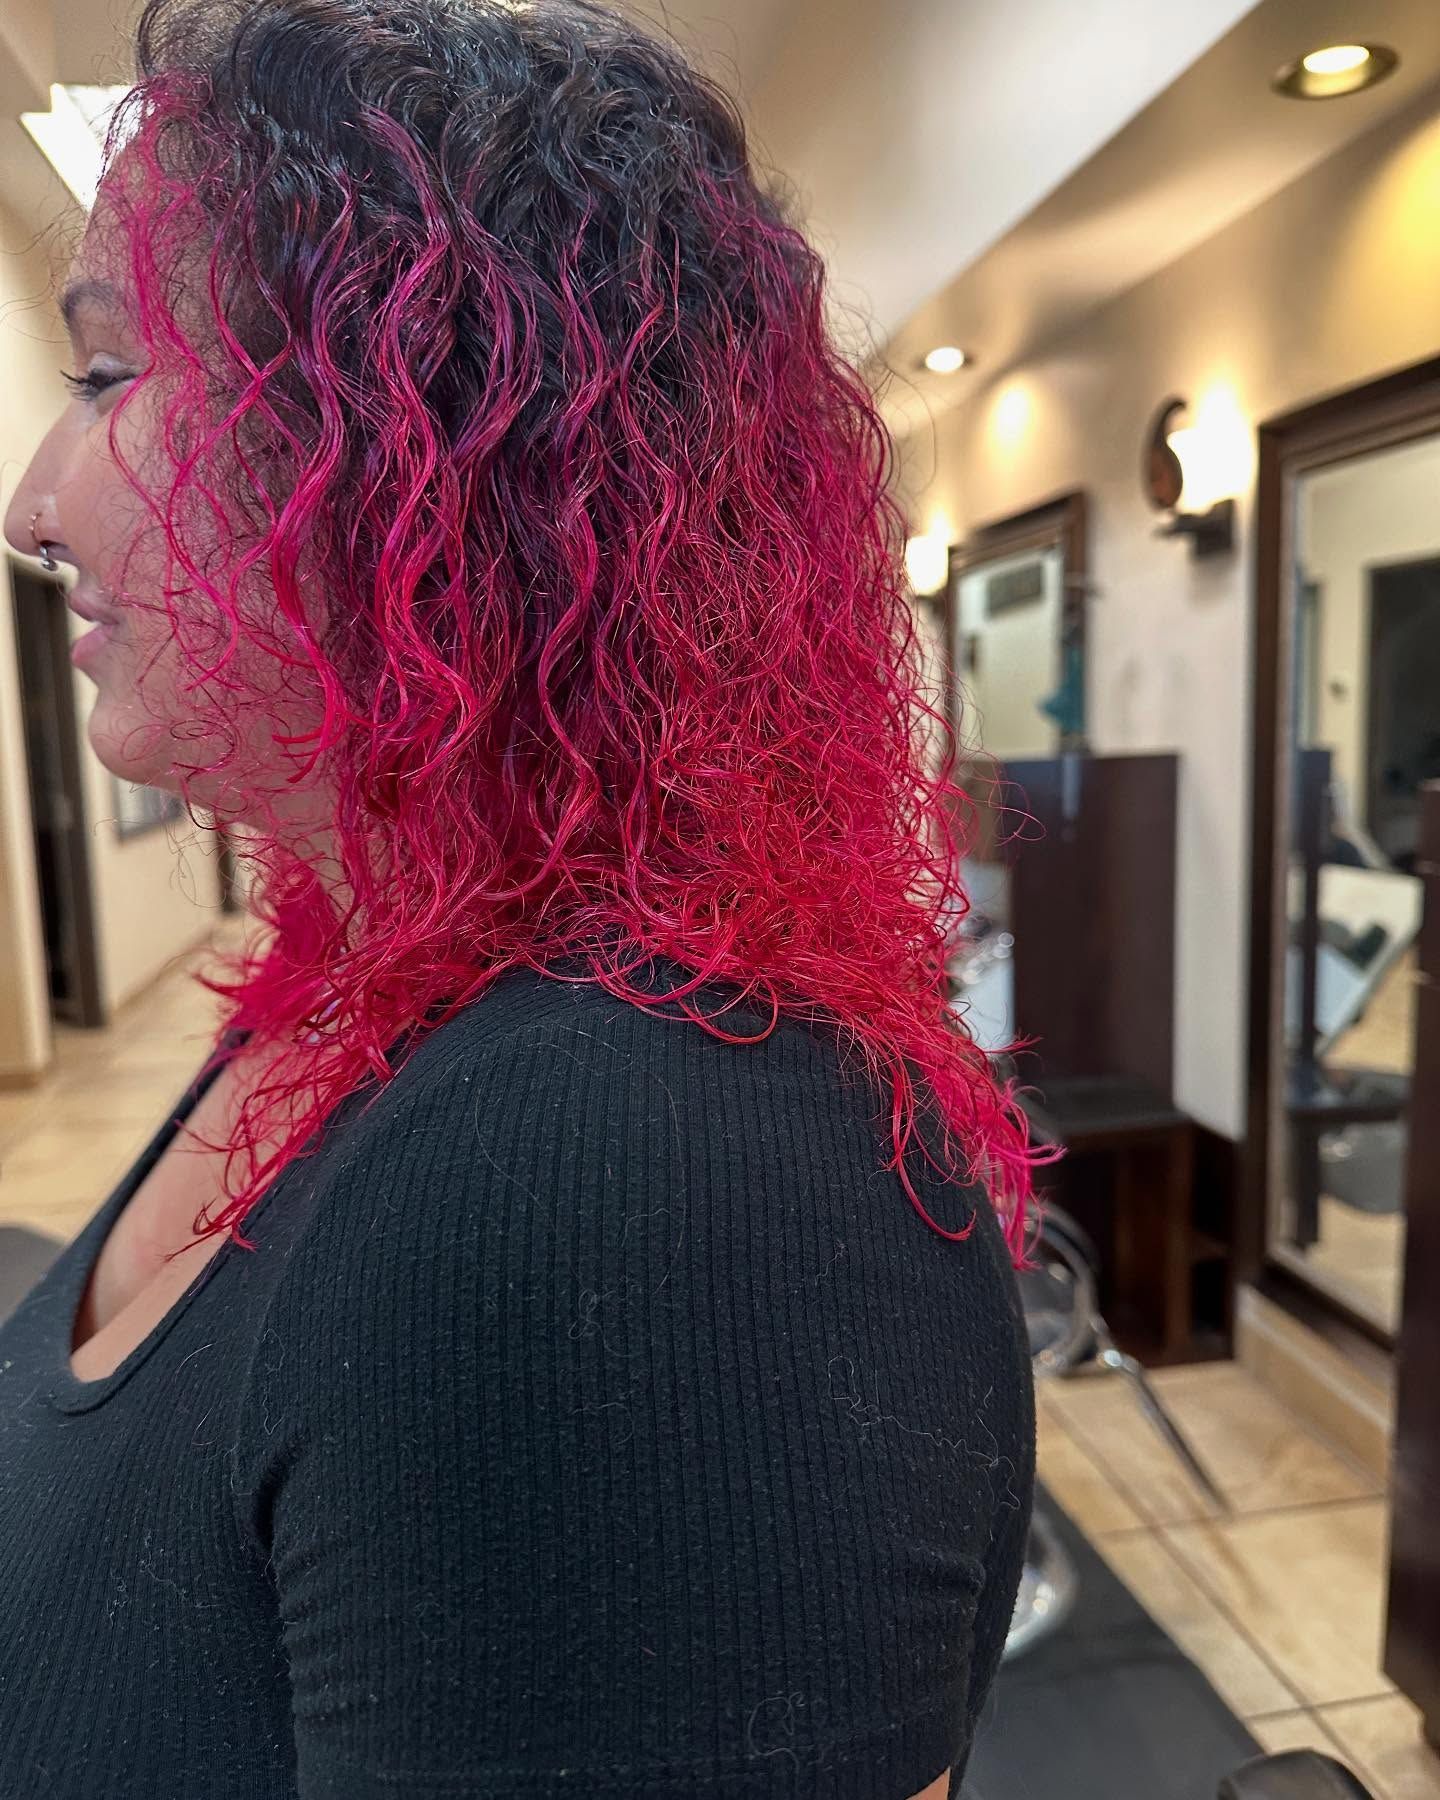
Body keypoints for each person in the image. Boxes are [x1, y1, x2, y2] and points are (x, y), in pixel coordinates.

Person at [0, 2, 1037, 1794]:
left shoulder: (647, 1168)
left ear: (428, 442)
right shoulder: (364, 995)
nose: (33, 501)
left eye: (107, 383)